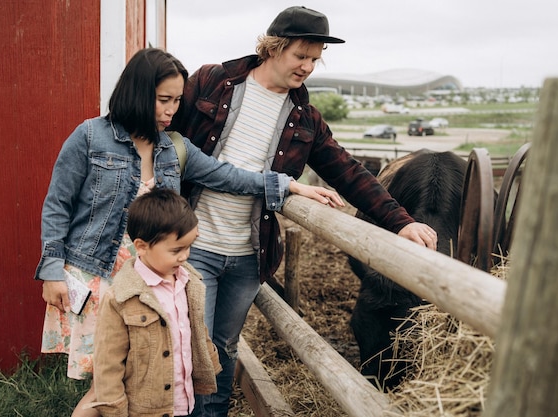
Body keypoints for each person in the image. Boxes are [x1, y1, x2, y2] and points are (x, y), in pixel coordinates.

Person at [35, 47, 342, 417]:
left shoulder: (173, 148)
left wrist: (289, 186)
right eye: (163, 100)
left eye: (177, 101)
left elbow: (227, 175)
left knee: (135, 375)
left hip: (150, 282)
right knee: (106, 380)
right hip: (96, 278)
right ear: (137, 93)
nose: (171, 110)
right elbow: (58, 204)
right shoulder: (89, 137)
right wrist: (52, 270)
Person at [168, 6, 439, 416]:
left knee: (223, 348)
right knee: (195, 347)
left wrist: (401, 222)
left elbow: (350, 174)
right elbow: (166, 135)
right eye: (301, 56)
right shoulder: (212, 82)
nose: (308, 67)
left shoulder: (305, 118)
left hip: (247, 254)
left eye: (315, 59)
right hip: (193, 244)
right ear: (274, 48)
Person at [88, 188, 220, 417]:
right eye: (176, 250)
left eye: (189, 247)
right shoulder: (122, 298)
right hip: (147, 409)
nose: (185, 256)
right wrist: (115, 409)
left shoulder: (189, 281)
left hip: (186, 401)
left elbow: (198, 330)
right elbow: (107, 364)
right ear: (141, 246)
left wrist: (210, 362)